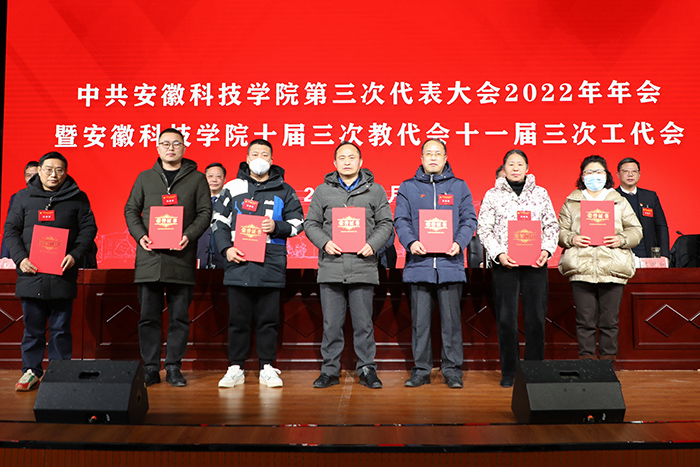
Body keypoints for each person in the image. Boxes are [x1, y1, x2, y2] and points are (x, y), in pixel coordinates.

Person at [212, 140, 303, 388]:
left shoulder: (284, 189)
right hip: (238, 262)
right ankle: (235, 367)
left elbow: (298, 223)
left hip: (270, 264)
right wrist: (226, 249)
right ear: (247, 158)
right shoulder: (232, 187)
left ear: (272, 160)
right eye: (255, 154)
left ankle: (267, 367)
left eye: (265, 154)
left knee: (268, 320)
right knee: (237, 320)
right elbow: (218, 221)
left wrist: (277, 226)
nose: (260, 158)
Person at [124, 128, 211, 387]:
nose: (170, 148)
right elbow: (131, 210)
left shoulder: (197, 178)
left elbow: (205, 212)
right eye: (165, 143)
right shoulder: (145, 177)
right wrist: (140, 236)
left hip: (181, 257)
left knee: (179, 317)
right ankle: (151, 368)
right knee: (148, 317)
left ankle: (173, 367)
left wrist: (188, 235)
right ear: (157, 148)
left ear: (184, 147)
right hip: (149, 258)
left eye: (176, 143)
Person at [3, 152, 97, 391]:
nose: (53, 174)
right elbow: (11, 230)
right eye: (48, 169)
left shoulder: (78, 197)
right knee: (32, 330)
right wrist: (20, 259)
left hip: (62, 273)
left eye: (59, 170)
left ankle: (59, 373)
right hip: (31, 274)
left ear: (66, 172)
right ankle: (31, 372)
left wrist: (74, 255)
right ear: (39, 171)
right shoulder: (23, 197)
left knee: (60, 330)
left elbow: (89, 229)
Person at [305, 141, 393, 389]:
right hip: (331, 266)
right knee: (331, 325)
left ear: (360, 162)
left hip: (363, 265)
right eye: (342, 158)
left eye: (351, 157)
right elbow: (310, 223)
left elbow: (386, 223)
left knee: (364, 325)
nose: (346, 161)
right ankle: (329, 370)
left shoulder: (376, 190)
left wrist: (372, 245)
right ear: (334, 163)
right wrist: (325, 243)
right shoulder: (323, 191)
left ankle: (367, 369)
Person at [394, 138, 477, 389]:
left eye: (437, 153)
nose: (432, 157)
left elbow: (469, 219)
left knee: (451, 323)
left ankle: (452, 370)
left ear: (445, 158)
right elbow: (401, 219)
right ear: (421, 158)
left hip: (450, 264)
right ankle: (421, 370)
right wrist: (411, 242)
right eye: (428, 153)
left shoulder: (459, 186)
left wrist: (459, 242)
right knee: (420, 324)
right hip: (419, 264)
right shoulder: (407, 187)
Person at [477, 149, 559, 387]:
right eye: (510, 164)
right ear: (503, 168)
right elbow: (484, 229)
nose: (515, 168)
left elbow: (551, 225)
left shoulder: (541, 193)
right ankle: (510, 372)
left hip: (535, 265)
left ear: (527, 168)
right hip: (505, 266)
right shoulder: (492, 195)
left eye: (520, 164)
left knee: (536, 320)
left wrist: (546, 250)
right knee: (506, 320)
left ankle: (534, 371)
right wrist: (499, 254)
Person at [558, 155, 642, 361]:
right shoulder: (572, 202)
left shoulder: (618, 201)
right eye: (589, 172)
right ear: (582, 176)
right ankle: (587, 364)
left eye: (598, 172)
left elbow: (636, 230)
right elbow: (558, 231)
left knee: (609, 322)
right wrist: (572, 238)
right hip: (581, 267)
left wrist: (621, 239)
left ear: (606, 175)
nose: (594, 176)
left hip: (613, 267)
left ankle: (607, 365)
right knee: (584, 320)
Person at [615, 157, 669, 259]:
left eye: (634, 171)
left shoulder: (650, 197)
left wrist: (664, 255)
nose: (630, 174)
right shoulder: (611, 197)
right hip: (621, 253)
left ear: (639, 174)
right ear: (618, 174)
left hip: (647, 253)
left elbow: (661, 226)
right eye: (626, 171)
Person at [1, 161, 40, 259]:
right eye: (28, 175)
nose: (31, 178)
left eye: (35, 175)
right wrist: (4, 257)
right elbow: (11, 228)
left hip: (43, 248)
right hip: (21, 251)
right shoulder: (17, 197)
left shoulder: (52, 197)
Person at [197, 162, 228, 269]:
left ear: (224, 180)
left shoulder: (231, 203)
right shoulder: (196, 202)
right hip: (199, 255)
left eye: (218, 177)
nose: (214, 180)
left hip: (223, 258)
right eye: (210, 176)